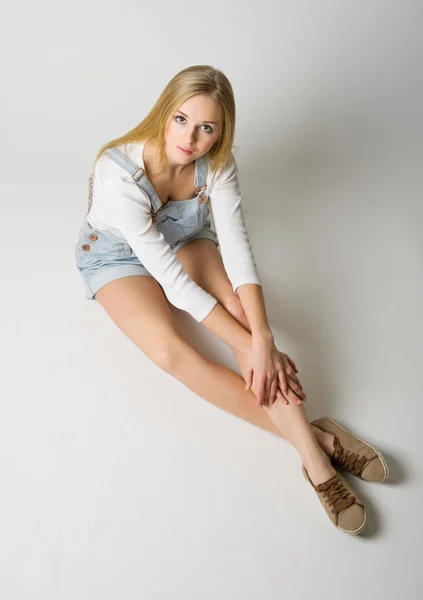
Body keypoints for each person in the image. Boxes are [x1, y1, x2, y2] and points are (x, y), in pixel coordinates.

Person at [74, 65, 388, 534]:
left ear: (221, 131)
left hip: (184, 238)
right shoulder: (117, 173)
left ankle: (309, 441)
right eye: (181, 119)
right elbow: (174, 285)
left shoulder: (218, 163)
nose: (191, 139)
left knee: (242, 315)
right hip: (118, 257)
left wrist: (261, 337)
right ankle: (316, 448)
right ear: (164, 111)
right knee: (169, 353)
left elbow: (238, 248)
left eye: (207, 128)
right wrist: (254, 346)